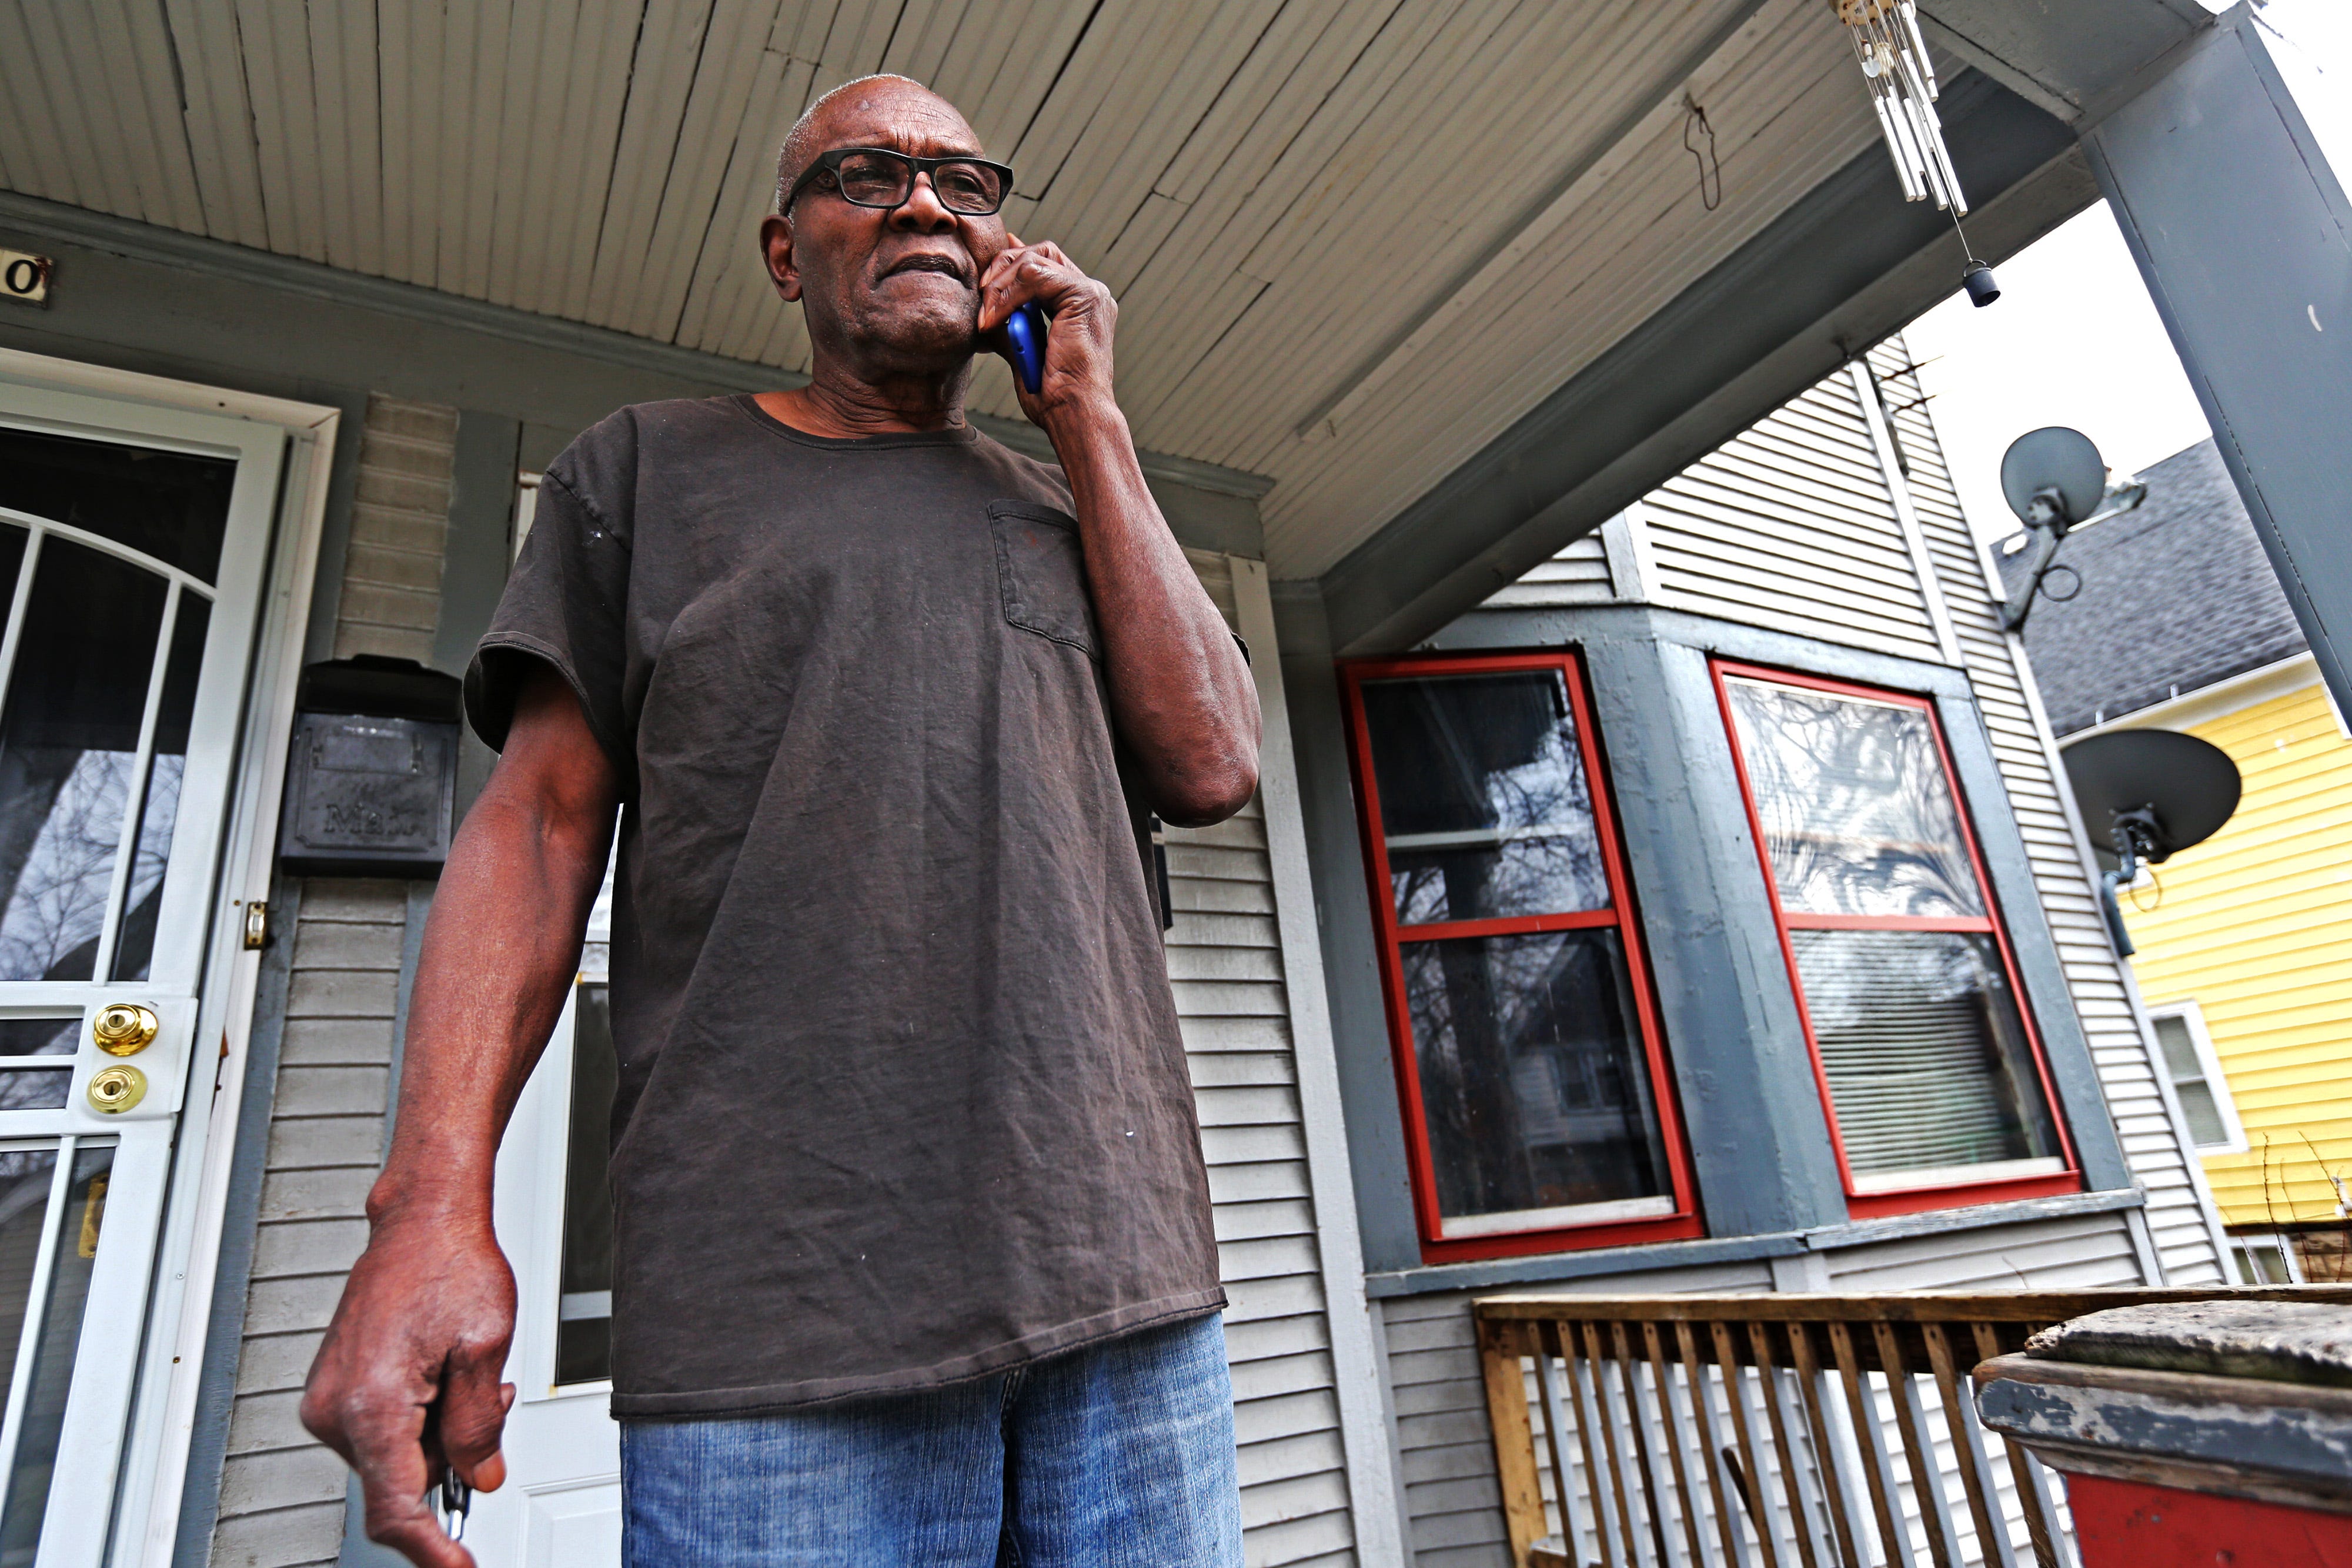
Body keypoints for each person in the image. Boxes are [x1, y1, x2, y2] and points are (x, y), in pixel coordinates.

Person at [299, 73, 1261, 1568]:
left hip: (1123, 1292)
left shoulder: (1069, 502)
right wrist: (430, 1204)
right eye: (868, 175)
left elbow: (1210, 764)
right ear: (781, 249)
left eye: (964, 181)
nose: (928, 203)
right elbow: (541, 824)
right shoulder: (646, 472)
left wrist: (1085, 412)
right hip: (780, 1315)